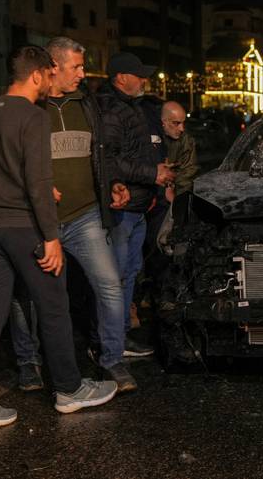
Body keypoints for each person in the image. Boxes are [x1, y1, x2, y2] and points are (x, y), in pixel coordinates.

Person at [0, 46, 116, 430]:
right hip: (24, 226)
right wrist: (50, 236)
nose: (50, 83)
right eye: (49, 75)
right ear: (37, 75)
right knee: (53, 304)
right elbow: (38, 179)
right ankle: (69, 390)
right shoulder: (32, 116)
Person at [7, 37, 141, 392]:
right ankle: (28, 362)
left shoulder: (88, 103)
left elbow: (101, 152)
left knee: (110, 285)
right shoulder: (29, 107)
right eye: (76, 67)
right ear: (53, 65)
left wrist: (112, 182)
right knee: (29, 295)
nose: (83, 73)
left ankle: (112, 359)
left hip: (85, 216)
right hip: (38, 220)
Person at [97, 52, 175, 353]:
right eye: (139, 74)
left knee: (127, 274)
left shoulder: (131, 107)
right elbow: (109, 160)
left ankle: (120, 339)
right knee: (114, 279)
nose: (145, 80)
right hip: (123, 208)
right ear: (121, 78)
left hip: (139, 206)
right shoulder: (112, 110)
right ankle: (108, 346)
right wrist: (151, 172)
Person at [161, 101, 199, 199]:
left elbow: (188, 174)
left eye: (183, 123)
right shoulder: (147, 136)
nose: (182, 128)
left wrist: (178, 200)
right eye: (176, 123)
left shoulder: (186, 140)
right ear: (163, 121)